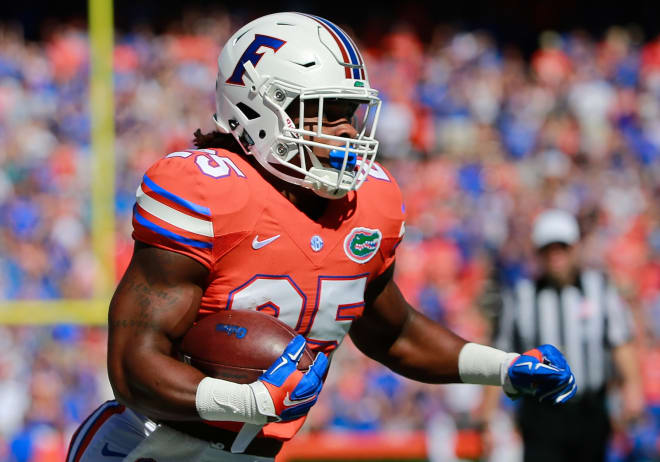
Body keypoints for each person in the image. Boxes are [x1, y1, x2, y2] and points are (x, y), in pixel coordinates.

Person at [67, 13, 577, 462]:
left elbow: (393, 333)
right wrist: (251, 401)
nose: (345, 130)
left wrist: (505, 368)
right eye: (323, 109)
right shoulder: (205, 189)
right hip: (148, 449)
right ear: (258, 108)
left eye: (348, 111)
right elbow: (132, 364)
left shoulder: (368, 206)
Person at [480, 209, 644, 462]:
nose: (556, 256)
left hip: (589, 410)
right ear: (538, 253)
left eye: (562, 247)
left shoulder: (599, 289)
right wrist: (488, 415)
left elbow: (620, 342)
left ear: (575, 248)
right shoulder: (521, 297)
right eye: (548, 249)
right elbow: (500, 354)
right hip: (540, 414)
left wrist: (633, 389)